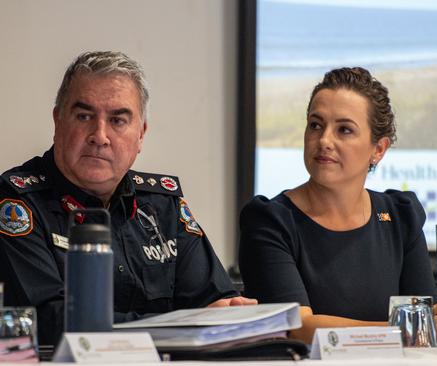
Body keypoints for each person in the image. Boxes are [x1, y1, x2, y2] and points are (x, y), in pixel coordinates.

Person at [0, 51, 255, 348]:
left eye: (118, 120)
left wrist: (230, 314)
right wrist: (179, 326)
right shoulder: (16, 204)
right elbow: (48, 321)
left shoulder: (162, 205)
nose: (100, 135)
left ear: (141, 135)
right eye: (84, 116)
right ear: (58, 121)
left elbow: (216, 303)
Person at [239, 67, 437, 344]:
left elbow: (428, 320)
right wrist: (405, 330)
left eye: (344, 130)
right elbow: (299, 328)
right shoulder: (269, 220)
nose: (325, 140)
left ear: (378, 149)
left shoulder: (401, 215)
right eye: (316, 125)